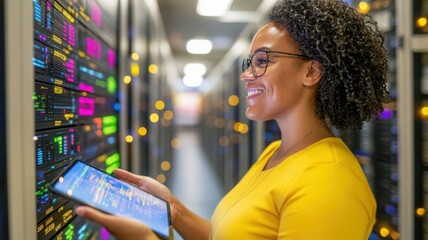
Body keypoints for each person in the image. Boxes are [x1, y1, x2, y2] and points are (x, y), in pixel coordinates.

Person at [76, 0, 389, 239]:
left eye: (262, 61)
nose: (245, 75)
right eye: (248, 63)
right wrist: (175, 211)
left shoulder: (329, 181)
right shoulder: (275, 153)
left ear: (311, 71)